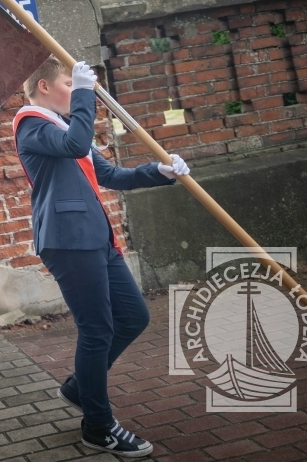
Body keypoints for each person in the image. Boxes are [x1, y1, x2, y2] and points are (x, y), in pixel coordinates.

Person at [14, 56, 190, 458]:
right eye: (68, 82)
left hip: (95, 237)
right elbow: (77, 144)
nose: (76, 89)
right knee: (96, 330)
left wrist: (160, 172)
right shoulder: (31, 125)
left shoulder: (62, 125)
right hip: (67, 240)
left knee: (133, 316)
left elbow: (110, 175)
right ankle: (98, 426)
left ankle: (81, 387)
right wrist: (83, 94)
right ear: (45, 86)